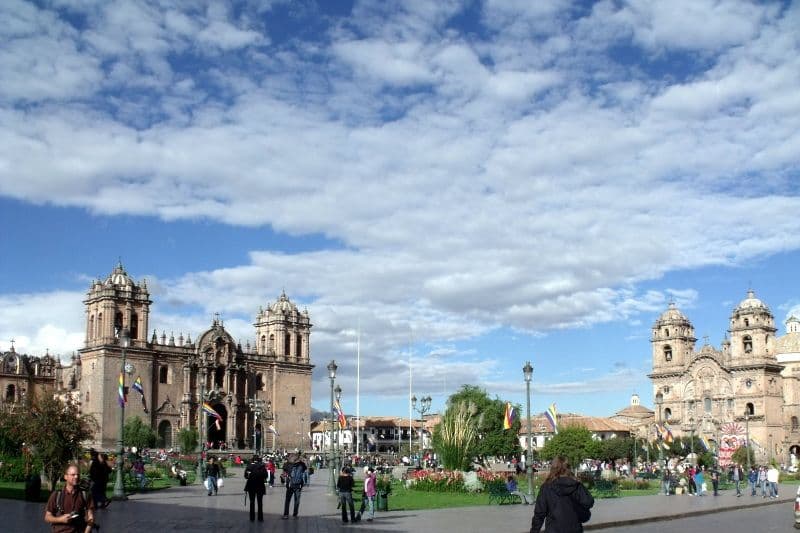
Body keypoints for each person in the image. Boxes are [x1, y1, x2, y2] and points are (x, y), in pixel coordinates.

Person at [531, 456, 594, 533]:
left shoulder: (547, 487)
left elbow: (539, 513)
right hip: (574, 528)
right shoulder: (576, 485)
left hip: (554, 529)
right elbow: (589, 502)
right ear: (568, 468)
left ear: (553, 468)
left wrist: (534, 530)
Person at [44, 463, 96, 533]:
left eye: (78, 475)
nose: (76, 477)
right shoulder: (56, 495)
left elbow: (91, 518)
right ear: (65, 477)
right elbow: (47, 517)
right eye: (73, 475)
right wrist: (60, 519)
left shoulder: (85, 494)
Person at [282, 453, 307, 519]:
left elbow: (283, 474)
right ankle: (295, 515)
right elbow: (305, 469)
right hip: (298, 485)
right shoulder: (302, 464)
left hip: (290, 485)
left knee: (287, 500)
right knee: (297, 501)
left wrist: (283, 480)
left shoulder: (287, 464)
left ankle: (286, 515)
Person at [243, 455, 267, 522]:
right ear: (259, 460)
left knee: (252, 502)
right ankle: (260, 518)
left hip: (251, 486)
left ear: (253, 460)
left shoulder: (249, 466)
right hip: (260, 485)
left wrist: (250, 475)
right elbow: (266, 475)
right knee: (260, 502)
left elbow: (245, 476)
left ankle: (252, 518)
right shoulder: (262, 466)